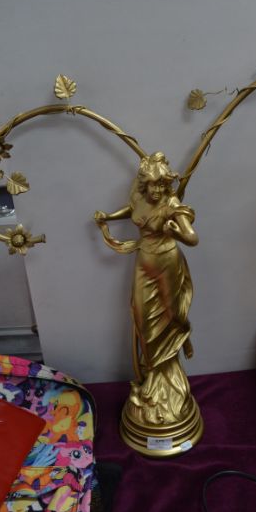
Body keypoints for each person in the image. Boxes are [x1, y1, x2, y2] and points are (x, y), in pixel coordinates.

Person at [94, 152, 198, 425]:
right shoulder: (139, 198)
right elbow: (132, 211)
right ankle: (152, 373)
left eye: (163, 185)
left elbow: (192, 238)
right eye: (154, 185)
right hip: (144, 263)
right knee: (142, 317)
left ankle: (179, 343)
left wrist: (175, 232)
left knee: (171, 316)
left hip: (168, 263)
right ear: (145, 184)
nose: (158, 191)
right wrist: (109, 216)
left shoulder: (172, 204)